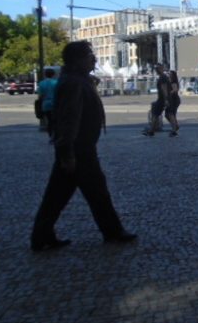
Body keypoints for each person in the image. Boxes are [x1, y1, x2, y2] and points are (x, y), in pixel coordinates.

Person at [30, 41, 137, 252]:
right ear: (77, 59)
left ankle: (42, 235)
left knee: (57, 196)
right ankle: (112, 231)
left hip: (78, 148)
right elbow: (69, 119)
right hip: (79, 150)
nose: (94, 59)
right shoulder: (73, 83)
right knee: (97, 193)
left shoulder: (76, 80)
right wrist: (67, 152)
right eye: (89, 55)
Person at [143, 63, 169, 136]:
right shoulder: (163, 77)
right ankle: (152, 130)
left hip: (162, 99)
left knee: (155, 113)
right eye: (156, 69)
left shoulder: (162, 77)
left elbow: (164, 89)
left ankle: (152, 130)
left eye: (157, 69)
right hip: (162, 99)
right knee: (158, 114)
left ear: (160, 69)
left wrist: (166, 99)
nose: (156, 70)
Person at [37, 68, 58, 141]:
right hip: (56, 104)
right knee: (55, 120)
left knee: (49, 121)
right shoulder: (56, 83)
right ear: (53, 74)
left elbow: (40, 96)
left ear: (45, 75)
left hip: (46, 104)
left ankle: (51, 135)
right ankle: (56, 135)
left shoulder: (41, 83)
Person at [165, 70, 181, 137]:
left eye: (170, 74)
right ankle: (175, 126)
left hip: (174, 100)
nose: (168, 75)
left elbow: (175, 90)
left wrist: (169, 93)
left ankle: (174, 130)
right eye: (168, 74)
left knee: (171, 114)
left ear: (173, 75)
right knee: (169, 115)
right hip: (172, 100)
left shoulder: (173, 82)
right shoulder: (170, 81)